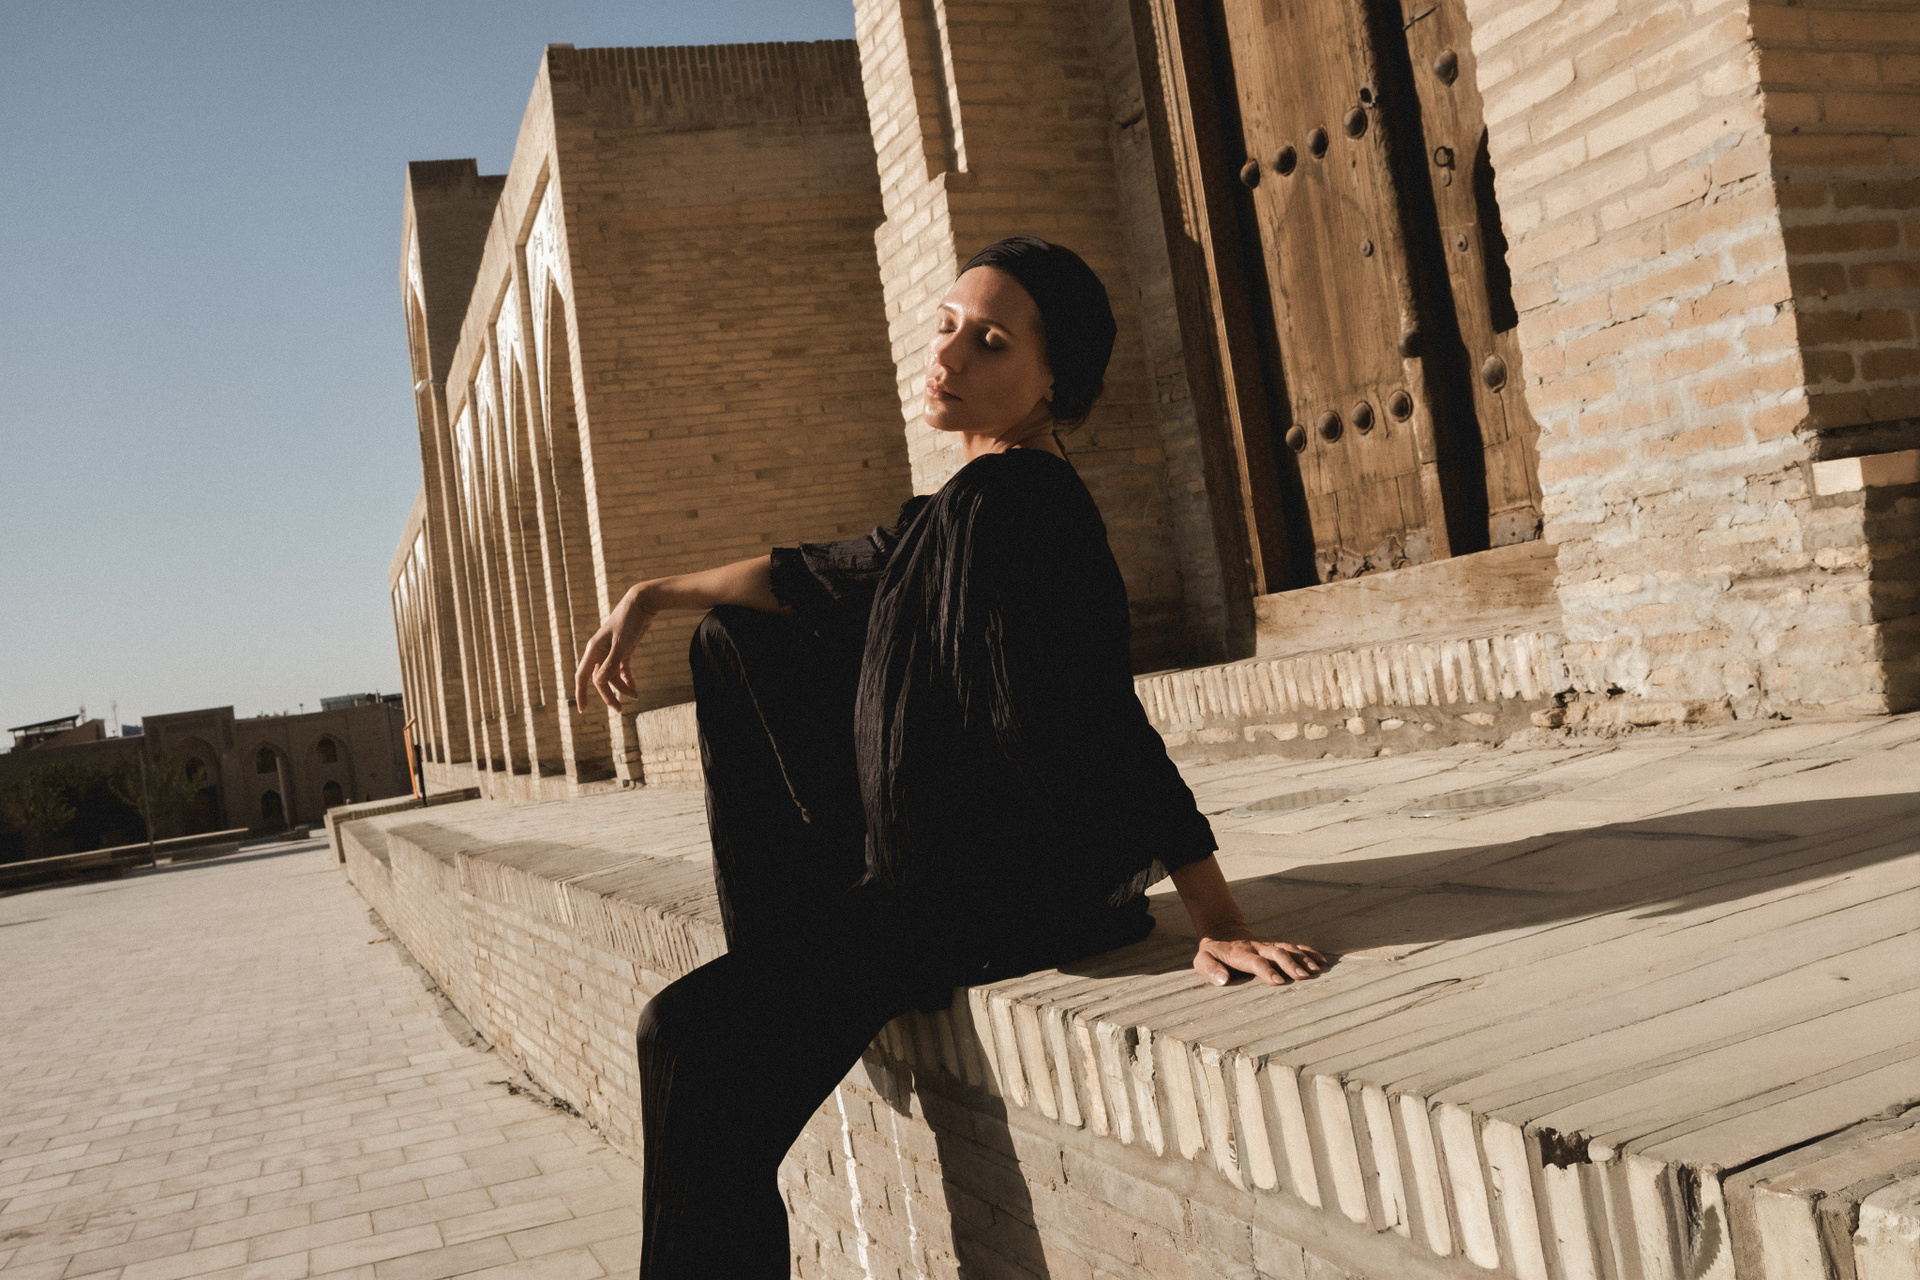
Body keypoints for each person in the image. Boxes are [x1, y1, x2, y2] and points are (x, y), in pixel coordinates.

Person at [573, 236, 1327, 1278]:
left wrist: (1218, 916)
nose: (950, 354)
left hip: (990, 896)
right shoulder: (961, 505)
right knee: (730, 636)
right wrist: (651, 592)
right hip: (947, 876)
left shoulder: (1014, 505)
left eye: (991, 342)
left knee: (685, 1038)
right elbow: (814, 572)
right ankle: (794, 952)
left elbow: (1101, 716)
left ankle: (803, 961)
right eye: (946, 326)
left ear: (1053, 381)